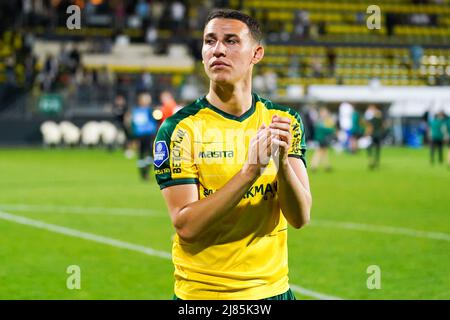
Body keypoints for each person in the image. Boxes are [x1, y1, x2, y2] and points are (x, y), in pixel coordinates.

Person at [153, 9, 312, 300]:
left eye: (231, 41)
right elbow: (186, 226)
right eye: (209, 41)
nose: (218, 50)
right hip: (203, 296)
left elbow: (300, 217)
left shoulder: (283, 120)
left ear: (257, 53)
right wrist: (249, 171)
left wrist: (282, 166)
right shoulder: (180, 129)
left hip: (273, 291)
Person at [129, 92, 157, 180]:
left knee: (149, 154)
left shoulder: (148, 110)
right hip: (143, 135)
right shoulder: (141, 111)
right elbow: (133, 124)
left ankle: (145, 173)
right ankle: (143, 174)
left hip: (148, 135)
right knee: (143, 154)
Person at [311, 107, 335, 171]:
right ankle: (314, 166)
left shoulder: (322, 120)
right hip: (321, 139)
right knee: (319, 152)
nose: (325, 114)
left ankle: (326, 166)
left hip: (321, 138)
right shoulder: (320, 121)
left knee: (324, 152)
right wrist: (331, 129)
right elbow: (324, 129)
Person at [365, 104, 384, 169]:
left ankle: (371, 161)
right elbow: (382, 126)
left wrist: (367, 133)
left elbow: (370, 127)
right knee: (377, 149)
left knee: (369, 147)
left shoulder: (373, 119)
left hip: (374, 135)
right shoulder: (379, 118)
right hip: (378, 135)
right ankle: (376, 162)